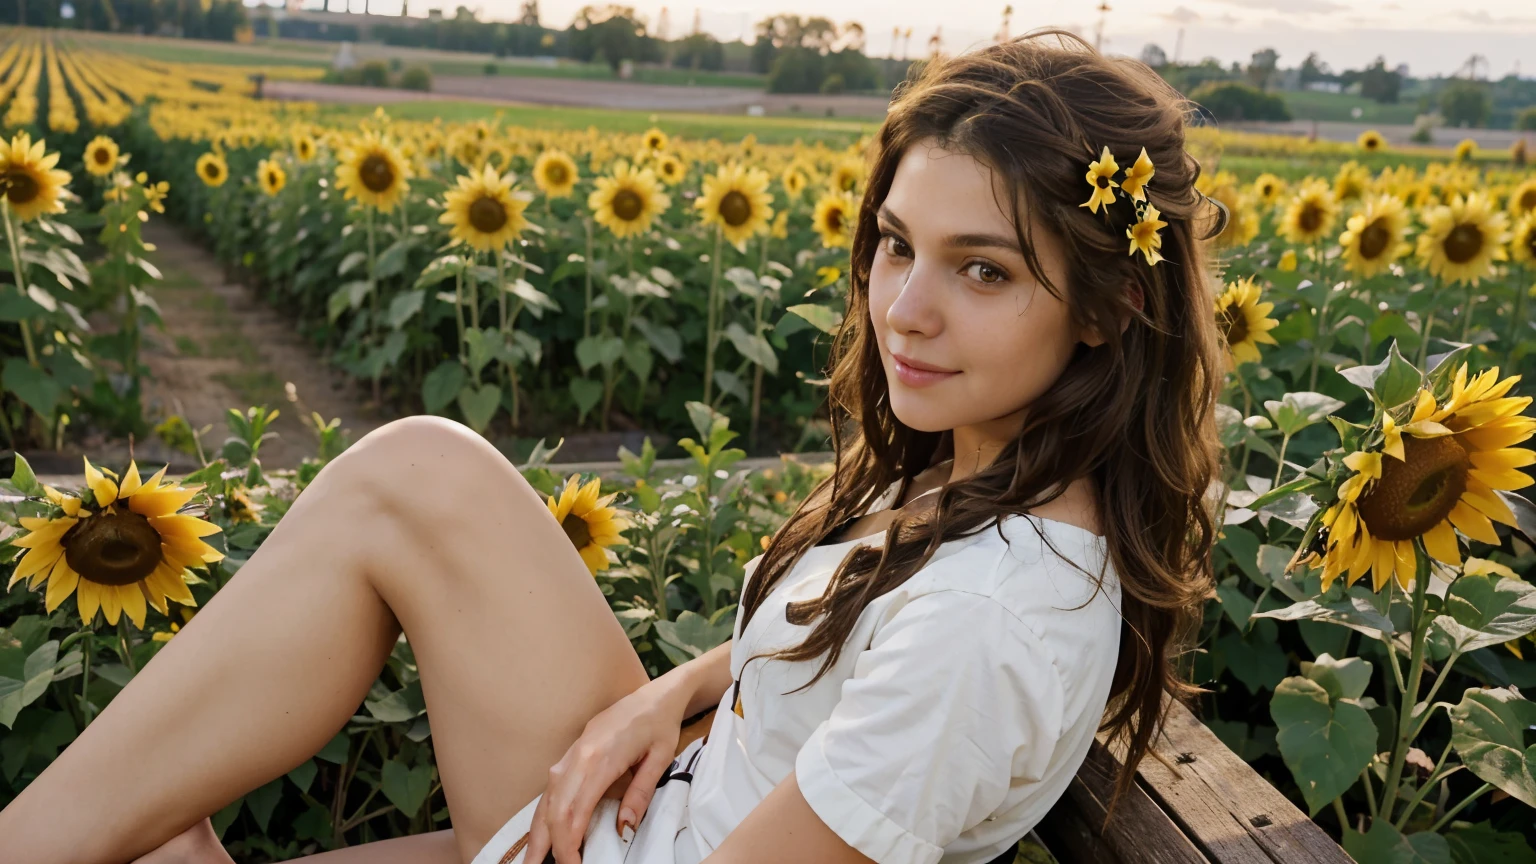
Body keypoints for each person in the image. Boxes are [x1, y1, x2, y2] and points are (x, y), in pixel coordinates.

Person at [0, 28, 1226, 864]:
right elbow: (843, 677)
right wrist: (681, 689)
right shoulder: (983, 494)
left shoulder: (990, 622)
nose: (903, 308)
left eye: (984, 270)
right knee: (415, 476)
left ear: (1111, 305)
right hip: (654, 803)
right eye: (898, 243)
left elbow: (925, 682)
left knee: (139, 819)